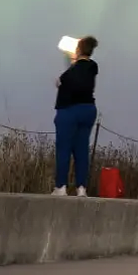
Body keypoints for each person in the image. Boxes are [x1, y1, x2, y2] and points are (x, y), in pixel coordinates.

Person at [51, 35, 99, 197]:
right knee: (81, 150)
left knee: (64, 149)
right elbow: (80, 72)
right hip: (88, 110)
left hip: (69, 110)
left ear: (78, 50)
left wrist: (72, 61)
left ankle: (61, 186)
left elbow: (59, 82)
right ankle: (81, 188)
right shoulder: (93, 67)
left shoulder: (70, 72)